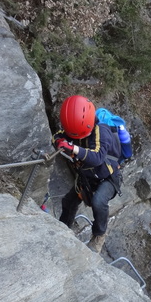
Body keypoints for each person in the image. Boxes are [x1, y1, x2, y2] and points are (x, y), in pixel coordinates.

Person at [53, 95, 122, 253]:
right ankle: (63, 228)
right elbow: (57, 135)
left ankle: (99, 236)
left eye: (82, 135)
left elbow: (97, 157)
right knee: (68, 201)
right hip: (87, 178)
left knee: (98, 201)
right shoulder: (73, 129)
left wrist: (74, 149)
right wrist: (59, 142)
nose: (79, 139)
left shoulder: (101, 130)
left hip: (108, 178)